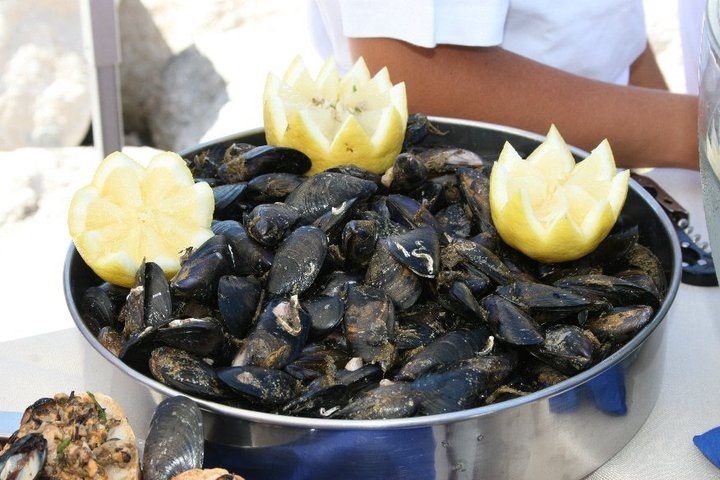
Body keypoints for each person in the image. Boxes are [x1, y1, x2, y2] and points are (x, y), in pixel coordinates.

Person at [309, 0, 699, 170]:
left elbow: (598, 23)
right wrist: (697, 132)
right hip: (474, 183)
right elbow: (407, 69)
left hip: (610, 157)